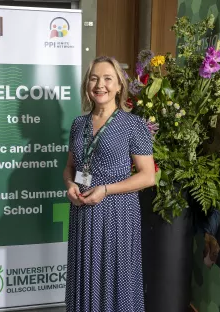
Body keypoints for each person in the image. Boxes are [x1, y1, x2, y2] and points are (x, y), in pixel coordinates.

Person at [63, 56, 155, 311]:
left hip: (117, 214)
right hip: (82, 211)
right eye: (94, 78)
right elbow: (70, 166)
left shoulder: (134, 125)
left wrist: (106, 189)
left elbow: (148, 176)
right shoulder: (78, 124)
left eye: (107, 79)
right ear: (87, 85)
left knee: (115, 277)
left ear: (118, 86)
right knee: (85, 274)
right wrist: (70, 184)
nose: (99, 84)